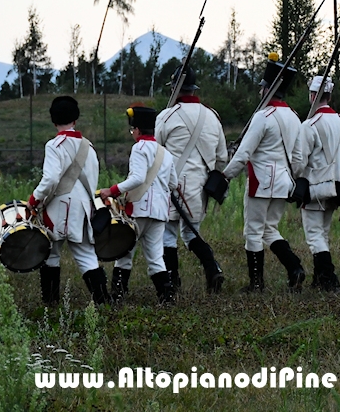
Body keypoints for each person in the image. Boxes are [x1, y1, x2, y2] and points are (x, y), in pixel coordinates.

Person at [223, 53, 306, 292]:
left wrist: (226, 175)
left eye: (263, 87)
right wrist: (295, 179)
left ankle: (256, 283)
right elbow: (298, 158)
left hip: (261, 183)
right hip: (283, 183)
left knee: (253, 231)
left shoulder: (262, 117)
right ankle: (295, 268)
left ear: (269, 89)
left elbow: (243, 154)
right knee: (270, 228)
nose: (260, 91)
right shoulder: (294, 117)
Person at [28, 96, 110, 306]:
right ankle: (104, 302)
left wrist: (34, 199)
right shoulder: (89, 148)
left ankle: (51, 304)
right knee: (86, 256)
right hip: (83, 208)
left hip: (60, 208)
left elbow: (51, 178)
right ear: (75, 120)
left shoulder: (55, 145)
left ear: (54, 121)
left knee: (50, 254)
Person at [155, 65, 228, 292]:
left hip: (173, 183)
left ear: (175, 89)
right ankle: (212, 268)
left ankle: (172, 282)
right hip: (200, 185)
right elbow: (221, 157)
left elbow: (155, 152)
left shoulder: (166, 116)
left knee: (168, 233)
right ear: (193, 89)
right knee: (191, 233)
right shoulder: (212, 116)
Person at [98, 106, 178, 304]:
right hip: (159, 212)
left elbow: (137, 178)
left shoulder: (139, 148)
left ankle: (117, 296)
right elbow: (173, 183)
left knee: (123, 253)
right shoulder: (165, 153)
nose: (132, 133)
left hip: (138, 210)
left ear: (138, 130)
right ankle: (166, 298)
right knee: (155, 257)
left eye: (132, 129)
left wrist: (112, 190)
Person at [297, 75, 340, 290]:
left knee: (314, 235)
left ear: (314, 96)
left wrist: (298, 180)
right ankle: (319, 278)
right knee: (322, 233)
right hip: (335, 189)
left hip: (314, 189)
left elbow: (299, 161)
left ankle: (328, 279)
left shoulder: (310, 125)